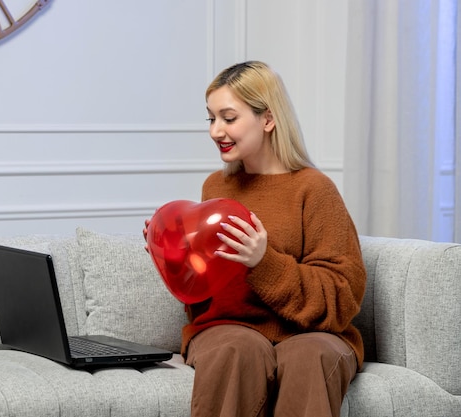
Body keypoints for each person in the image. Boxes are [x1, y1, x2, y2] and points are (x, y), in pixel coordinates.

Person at [146, 61, 366, 417]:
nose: (216, 131)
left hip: (310, 333)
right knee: (237, 349)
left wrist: (264, 262)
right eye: (211, 118)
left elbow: (342, 296)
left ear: (267, 119)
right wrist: (171, 258)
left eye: (229, 118)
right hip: (227, 331)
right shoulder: (215, 188)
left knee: (310, 356)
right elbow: (202, 294)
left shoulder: (313, 189)